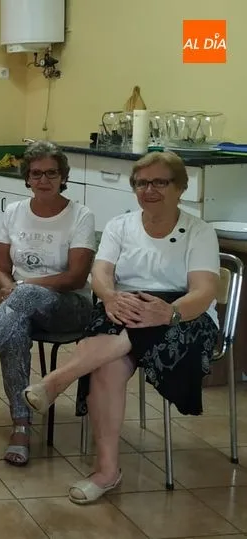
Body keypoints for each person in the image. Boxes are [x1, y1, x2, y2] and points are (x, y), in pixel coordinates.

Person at [21, 151, 220, 504]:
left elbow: (204, 291)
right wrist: (110, 297)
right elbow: (100, 274)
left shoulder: (199, 230)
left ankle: (56, 381)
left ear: (180, 187)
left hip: (183, 314)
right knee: (109, 363)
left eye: (160, 182)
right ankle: (107, 471)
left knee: (125, 335)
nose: (149, 190)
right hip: (125, 304)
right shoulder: (120, 225)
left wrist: (169, 313)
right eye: (142, 183)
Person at [0, 141, 96, 466]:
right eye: (36, 173)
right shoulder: (14, 212)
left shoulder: (80, 215)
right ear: (27, 178)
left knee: (19, 299)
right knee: (14, 326)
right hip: (24, 305)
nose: (43, 179)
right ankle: (20, 428)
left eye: (51, 173)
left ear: (63, 176)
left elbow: (76, 278)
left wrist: (18, 287)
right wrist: (9, 286)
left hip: (70, 308)